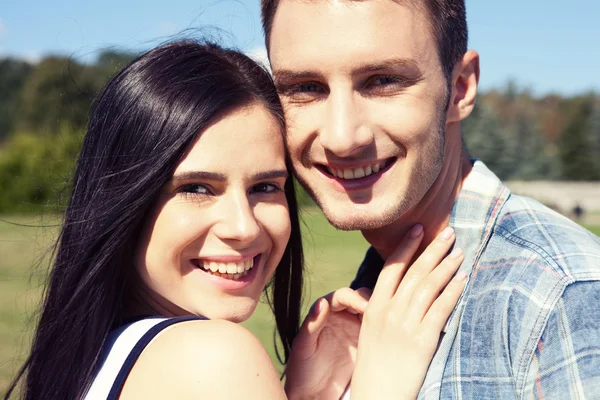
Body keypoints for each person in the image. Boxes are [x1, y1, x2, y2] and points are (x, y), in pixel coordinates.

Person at [5, 40, 467, 400]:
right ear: (125, 201)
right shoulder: (210, 359)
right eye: (196, 188)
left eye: (265, 187)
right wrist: (380, 387)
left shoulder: (98, 359)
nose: (244, 227)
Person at [261, 0, 600, 398]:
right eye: (305, 88)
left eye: (382, 81)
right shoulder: (373, 291)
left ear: (460, 88)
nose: (341, 136)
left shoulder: (558, 298)